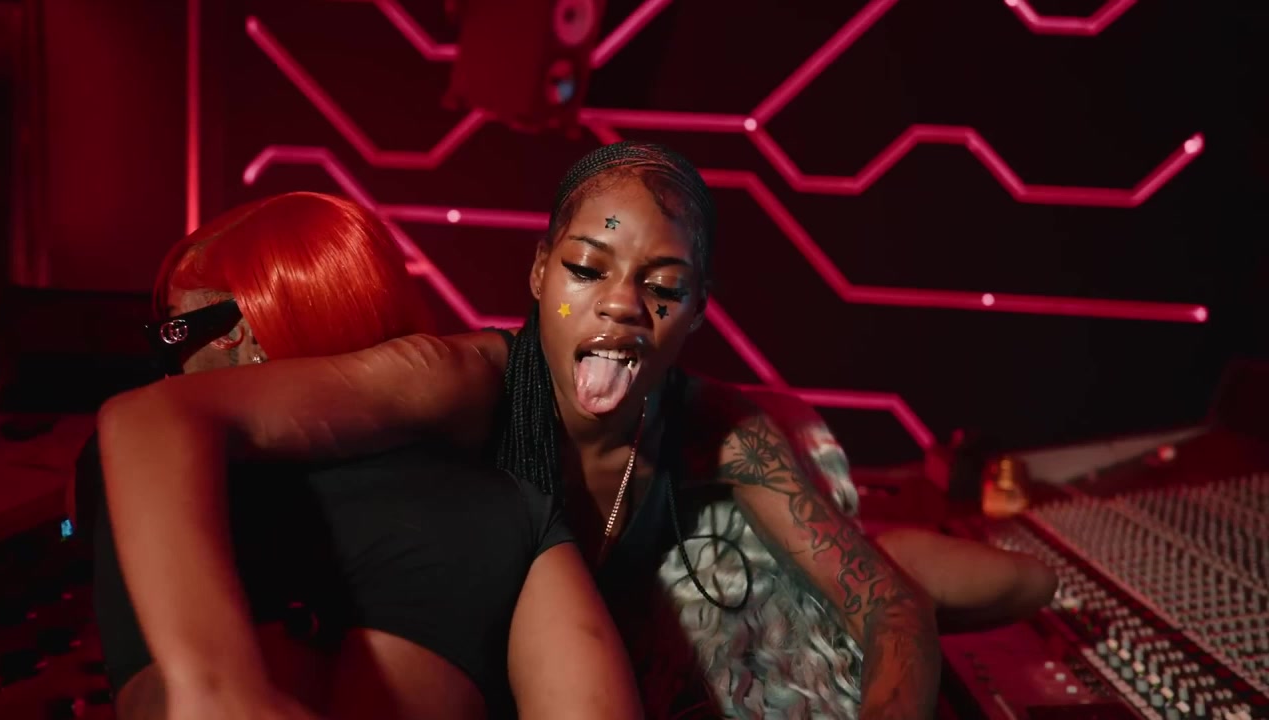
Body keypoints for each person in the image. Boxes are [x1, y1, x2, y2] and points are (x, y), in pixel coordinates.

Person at [97, 144, 1055, 719]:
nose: (623, 304)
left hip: (687, 611)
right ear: (539, 273)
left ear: (697, 311)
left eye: (663, 287)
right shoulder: (461, 380)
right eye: (589, 269)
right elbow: (157, 419)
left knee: (1014, 580)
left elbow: (888, 608)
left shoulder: (721, 427)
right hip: (552, 657)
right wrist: (210, 682)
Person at [83, 191, 642, 720]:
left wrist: (216, 688)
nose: (167, 362)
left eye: (175, 331)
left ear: (248, 331)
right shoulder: (513, 509)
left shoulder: (141, 471)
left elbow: (144, 419)